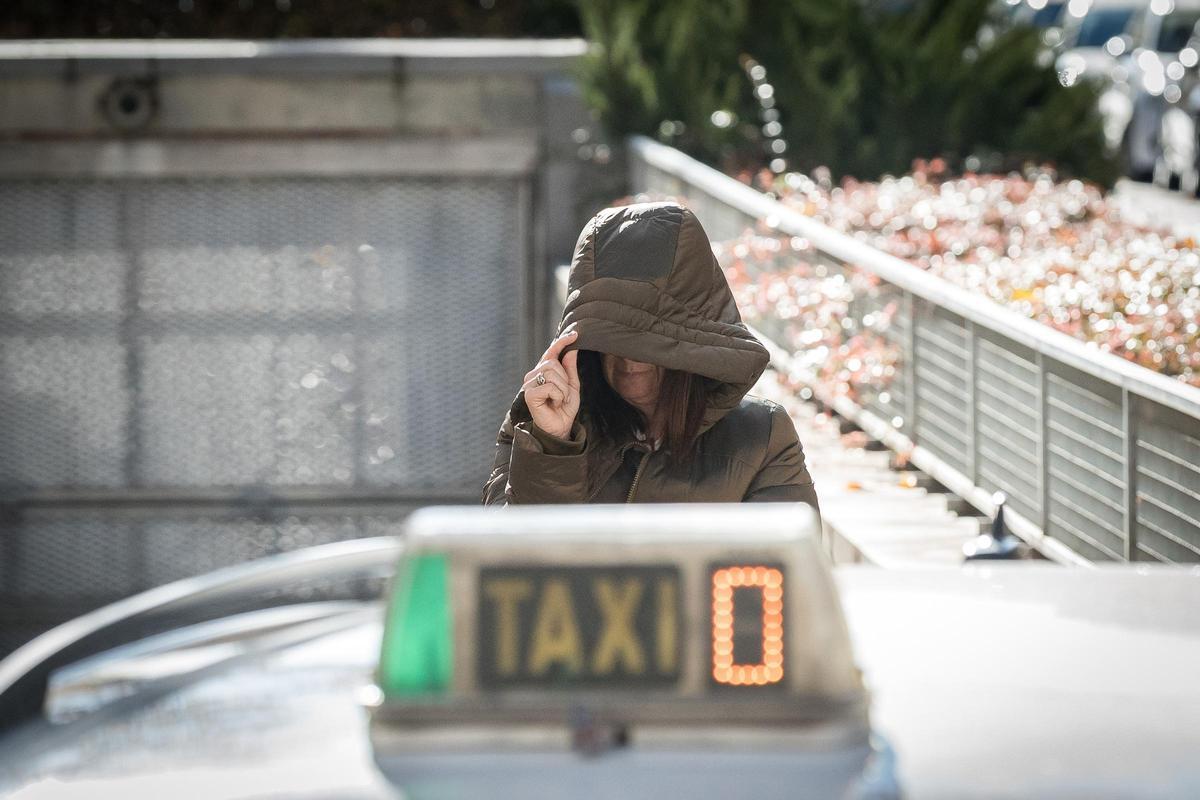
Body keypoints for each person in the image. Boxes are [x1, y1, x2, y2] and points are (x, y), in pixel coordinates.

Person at [482, 201, 819, 511]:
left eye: (652, 342)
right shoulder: (536, 425)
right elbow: (506, 560)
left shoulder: (761, 436)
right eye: (613, 338)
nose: (630, 359)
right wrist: (554, 447)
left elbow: (788, 569)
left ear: (692, 345)